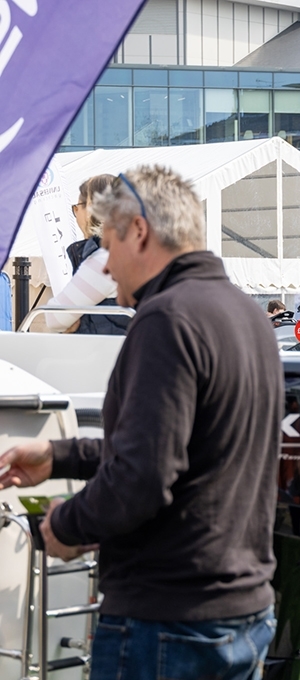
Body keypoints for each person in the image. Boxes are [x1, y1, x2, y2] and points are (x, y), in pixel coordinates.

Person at [0, 165, 283, 679]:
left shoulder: (166, 319)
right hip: (240, 609)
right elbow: (183, 448)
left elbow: (144, 475)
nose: (105, 268)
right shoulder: (245, 315)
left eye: (107, 246)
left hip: (167, 619)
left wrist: (65, 524)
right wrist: (59, 455)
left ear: (139, 232)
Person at [45, 174, 130, 335]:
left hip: (105, 354)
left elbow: (54, 318)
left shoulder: (104, 260)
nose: (75, 214)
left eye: (77, 207)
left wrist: (78, 321)